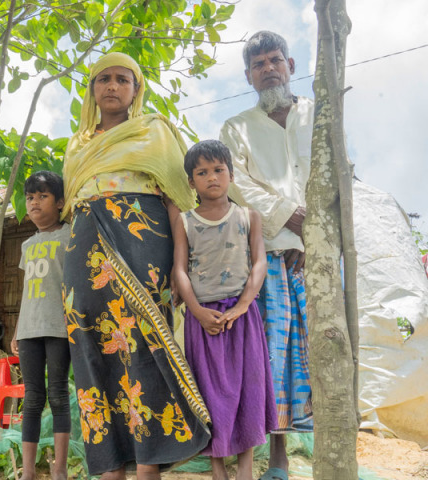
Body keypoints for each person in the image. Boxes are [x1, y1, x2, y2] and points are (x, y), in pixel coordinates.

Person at [61, 51, 211, 480]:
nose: (112, 86)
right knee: (92, 351)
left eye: (122, 79)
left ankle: (148, 468)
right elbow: (72, 203)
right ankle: (110, 470)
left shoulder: (156, 132)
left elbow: (179, 202)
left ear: (136, 88)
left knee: (144, 346)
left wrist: (180, 270)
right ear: (92, 89)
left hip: (144, 243)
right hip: (84, 250)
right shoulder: (77, 144)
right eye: (103, 79)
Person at [220, 31, 314, 480]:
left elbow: (335, 176)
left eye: (275, 60)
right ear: (248, 75)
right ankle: (276, 458)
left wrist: (312, 238)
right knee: (272, 356)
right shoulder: (235, 128)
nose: (268, 69)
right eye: (258, 64)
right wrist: (289, 219)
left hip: (317, 253)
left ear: (291, 65)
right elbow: (236, 184)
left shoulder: (319, 116)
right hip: (268, 252)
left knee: (323, 349)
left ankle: (330, 444)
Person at [171, 140, 277, 480]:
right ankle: (218, 469)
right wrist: (197, 312)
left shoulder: (249, 217)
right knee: (208, 391)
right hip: (203, 320)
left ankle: (245, 469)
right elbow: (180, 270)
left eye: (218, 170)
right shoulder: (185, 222)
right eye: (202, 172)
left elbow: (259, 261)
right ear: (191, 182)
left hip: (243, 318)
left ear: (231, 174)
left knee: (249, 387)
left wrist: (244, 304)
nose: (211, 177)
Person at [9, 171, 71, 480]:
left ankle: (59, 470)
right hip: (30, 329)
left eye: (42, 196)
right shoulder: (27, 245)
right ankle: (29, 472)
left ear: (60, 202)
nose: (34, 202)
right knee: (32, 398)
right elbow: (26, 291)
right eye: (30, 197)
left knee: (58, 395)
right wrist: (18, 329)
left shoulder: (70, 235)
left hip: (60, 326)